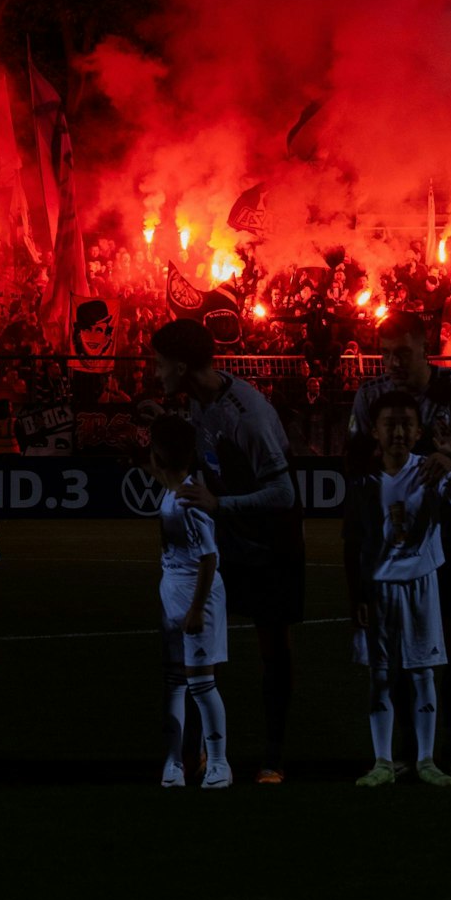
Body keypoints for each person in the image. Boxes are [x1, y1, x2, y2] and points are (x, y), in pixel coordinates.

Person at [151, 318, 303, 784]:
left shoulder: (247, 416)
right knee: (200, 644)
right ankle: (196, 752)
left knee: (272, 648)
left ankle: (273, 758)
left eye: (160, 364)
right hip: (230, 538)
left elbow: (286, 494)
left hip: (271, 545)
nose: (157, 373)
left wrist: (221, 504)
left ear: (180, 365)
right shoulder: (199, 404)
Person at [348, 312, 451, 777]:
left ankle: (448, 749)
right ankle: (405, 754)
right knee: (394, 656)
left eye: (401, 353)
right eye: (384, 352)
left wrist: (446, 456)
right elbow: (355, 461)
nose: (390, 362)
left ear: (423, 349)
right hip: (395, 547)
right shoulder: (370, 396)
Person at [148, 414, 231, 790]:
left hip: (196, 596)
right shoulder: (174, 489)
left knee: (200, 683)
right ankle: (175, 763)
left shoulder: (188, 499)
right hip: (174, 592)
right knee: (176, 682)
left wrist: (197, 608)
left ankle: (218, 763)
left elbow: (209, 558)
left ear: (159, 455)